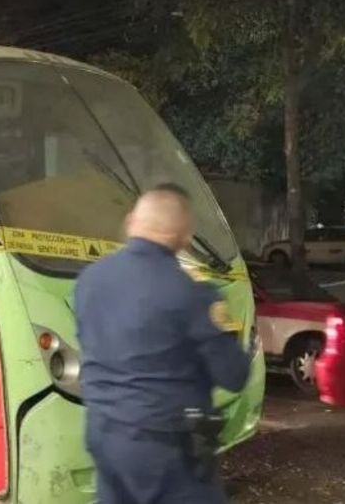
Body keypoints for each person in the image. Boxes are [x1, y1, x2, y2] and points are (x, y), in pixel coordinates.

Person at [75, 183, 251, 504]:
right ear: (184, 238)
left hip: (103, 435)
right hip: (166, 451)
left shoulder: (90, 280)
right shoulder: (193, 293)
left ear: (131, 221)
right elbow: (233, 375)